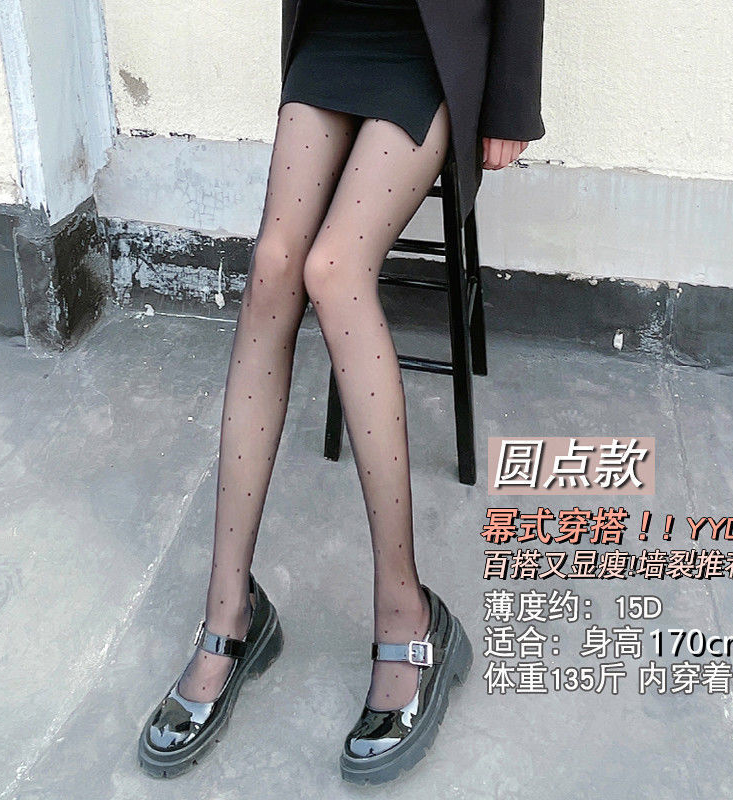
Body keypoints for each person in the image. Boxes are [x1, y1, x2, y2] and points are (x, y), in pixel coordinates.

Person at [138, 0, 544, 784]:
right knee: (273, 269)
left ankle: (410, 615)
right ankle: (231, 613)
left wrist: (511, 98)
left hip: (429, 46)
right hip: (333, 29)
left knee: (333, 269)